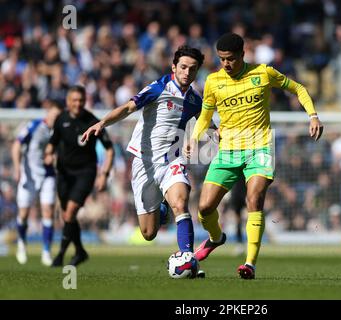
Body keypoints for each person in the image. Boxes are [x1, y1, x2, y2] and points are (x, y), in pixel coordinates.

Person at [184, 33, 323, 279]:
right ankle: (216, 238)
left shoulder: (263, 73)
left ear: (242, 55)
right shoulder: (214, 82)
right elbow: (205, 117)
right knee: (204, 208)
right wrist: (194, 138)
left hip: (260, 148)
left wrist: (312, 115)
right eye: (221, 59)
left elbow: (298, 88)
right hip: (227, 151)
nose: (226, 64)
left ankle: (250, 263)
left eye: (230, 59)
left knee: (254, 199)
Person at [82, 46, 212, 260]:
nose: (187, 72)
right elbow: (127, 108)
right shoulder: (158, 88)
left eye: (192, 69)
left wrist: (216, 135)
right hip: (144, 161)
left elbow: (205, 124)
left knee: (181, 203)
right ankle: (162, 208)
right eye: (183, 67)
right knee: (148, 233)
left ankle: (187, 259)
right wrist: (102, 123)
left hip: (172, 160)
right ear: (174, 67)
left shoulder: (195, 101)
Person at [44, 85, 115, 267]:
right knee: (67, 217)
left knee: (70, 212)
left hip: (85, 172)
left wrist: (104, 174)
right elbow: (52, 143)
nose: (78, 104)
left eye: (81, 100)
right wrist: (49, 153)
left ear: (85, 101)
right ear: (68, 102)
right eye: (74, 100)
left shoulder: (92, 121)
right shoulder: (61, 119)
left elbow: (109, 150)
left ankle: (60, 254)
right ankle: (80, 251)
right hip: (64, 173)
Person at [11, 100, 63, 266]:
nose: (55, 119)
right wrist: (17, 168)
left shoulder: (59, 132)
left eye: (58, 116)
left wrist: (54, 158)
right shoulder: (34, 126)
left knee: (48, 211)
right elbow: (16, 145)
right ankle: (21, 243)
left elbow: (61, 154)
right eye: (54, 115)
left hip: (48, 175)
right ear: (48, 113)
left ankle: (46, 251)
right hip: (29, 175)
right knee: (24, 214)